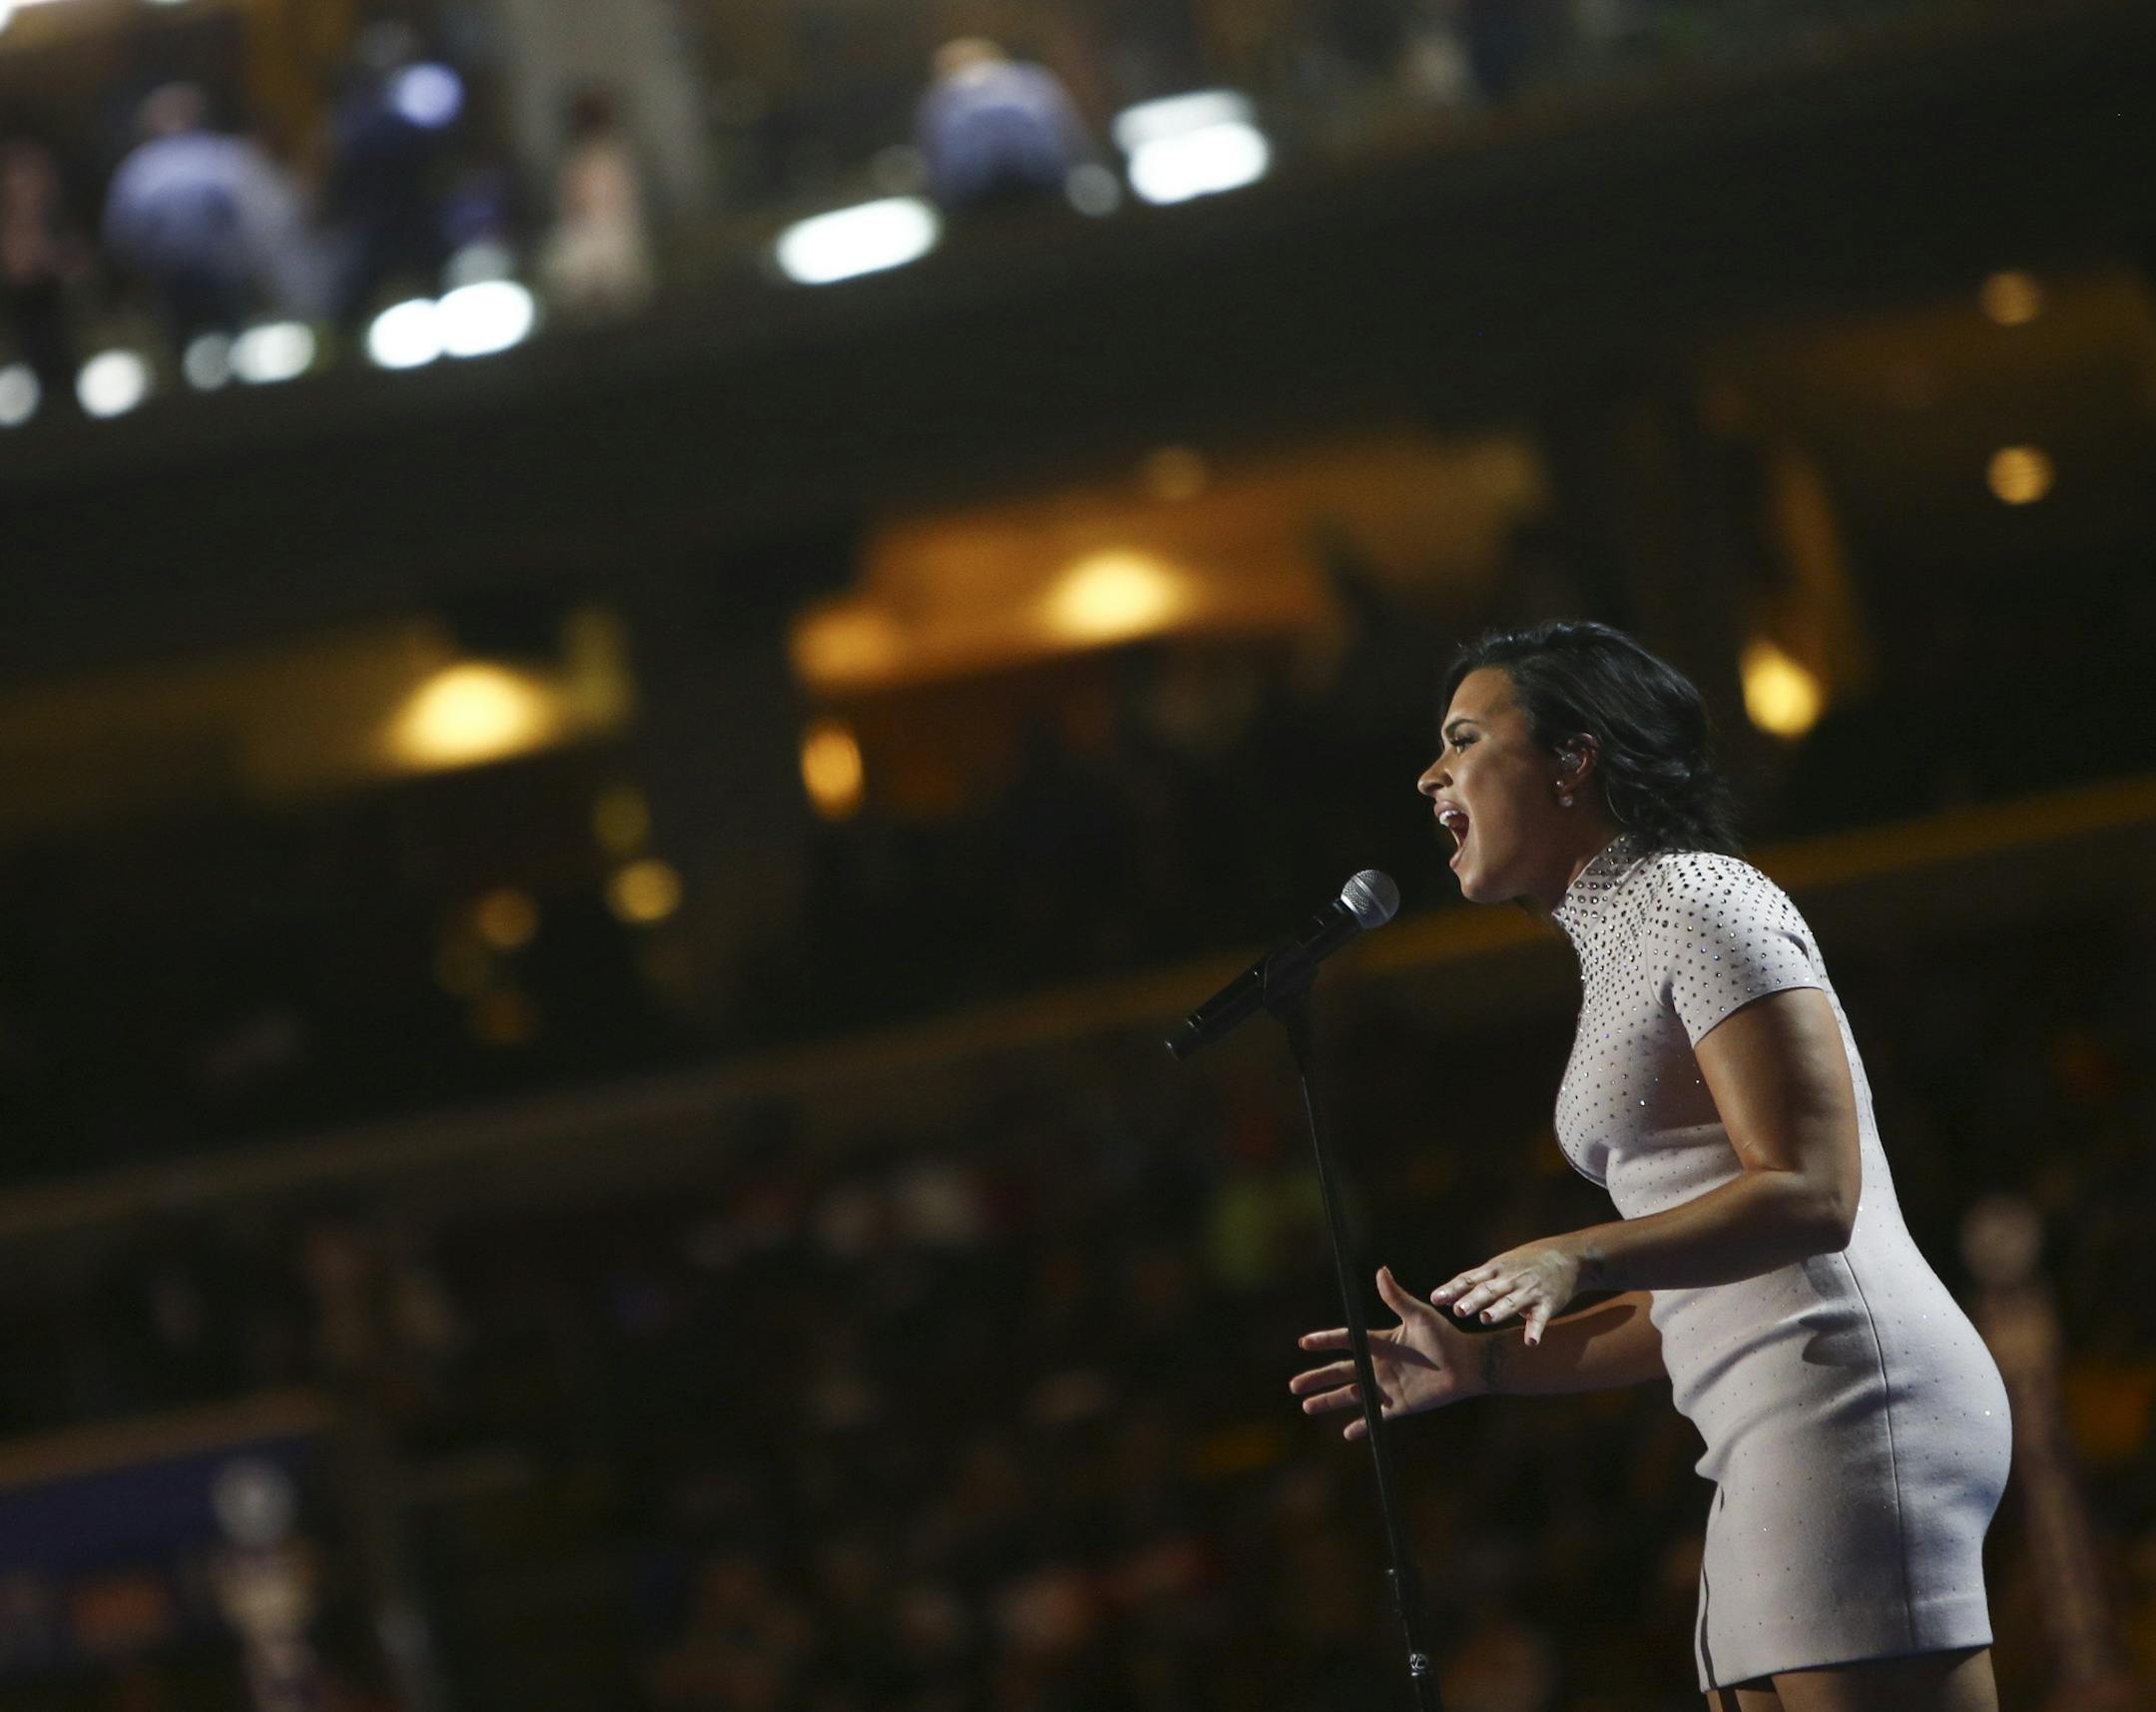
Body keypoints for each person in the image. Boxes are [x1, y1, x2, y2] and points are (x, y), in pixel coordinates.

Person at [1289, 621, 2011, 1712]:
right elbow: (1692, 1297)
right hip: (1768, 1419)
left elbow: (1816, 1190)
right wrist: (1487, 1367)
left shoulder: (1703, 898)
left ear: (1575, 759)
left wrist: (1586, 1248)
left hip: (1849, 1398)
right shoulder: (1621, 932)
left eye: (1466, 736)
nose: (1429, 772)